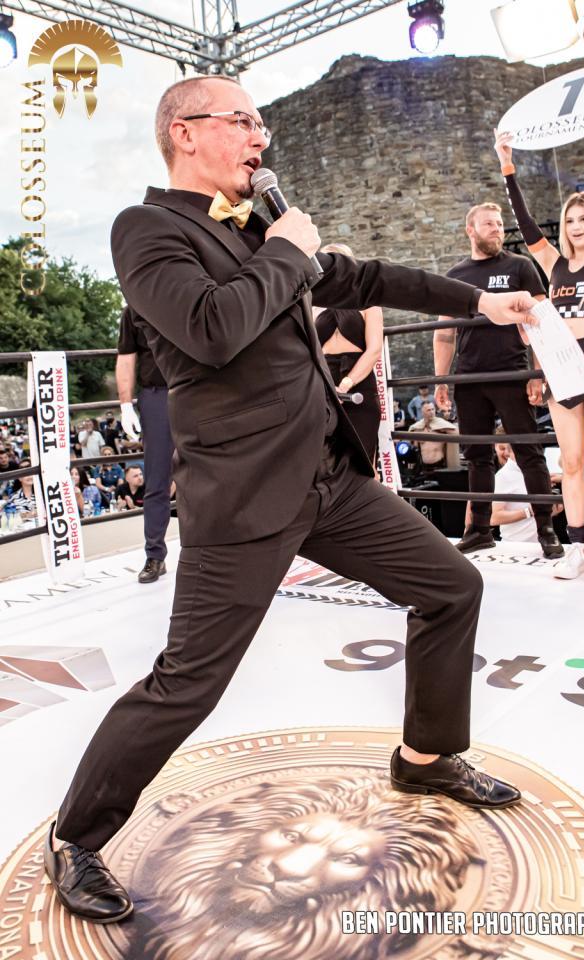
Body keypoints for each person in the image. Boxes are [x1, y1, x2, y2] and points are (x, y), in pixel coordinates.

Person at [44, 75, 537, 924]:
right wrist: (289, 248)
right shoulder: (147, 229)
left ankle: (425, 756)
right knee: (188, 681)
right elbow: (209, 327)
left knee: (452, 586)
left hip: (327, 479)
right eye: (242, 122)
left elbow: (365, 275)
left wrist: (481, 299)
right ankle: (76, 835)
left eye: (260, 124)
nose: (259, 139)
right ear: (184, 133)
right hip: (240, 498)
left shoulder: (267, 226)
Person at [495, 109, 584, 582]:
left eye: (582, 219)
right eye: (569, 220)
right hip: (561, 365)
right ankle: (577, 548)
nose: (574, 227)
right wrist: (506, 164)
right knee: (571, 462)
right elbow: (527, 222)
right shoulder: (551, 263)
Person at [434, 201, 563, 560]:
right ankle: (479, 530)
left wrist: (539, 372)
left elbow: (543, 321)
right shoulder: (456, 273)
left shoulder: (519, 266)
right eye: (488, 223)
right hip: (470, 376)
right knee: (477, 457)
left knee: (529, 453)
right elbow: (443, 333)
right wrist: (441, 379)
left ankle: (546, 529)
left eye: (499, 223)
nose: (496, 228)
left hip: (511, 372)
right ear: (470, 230)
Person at [117, 306, 174, 583]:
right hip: (157, 395)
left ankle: (215, 550)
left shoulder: (191, 290)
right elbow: (126, 358)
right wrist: (125, 404)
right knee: (156, 479)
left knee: (209, 473)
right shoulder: (133, 309)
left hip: (200, 390)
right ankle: (155, 555)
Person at [313, 242, 384, 464]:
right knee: (326, 460)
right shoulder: (312, 303)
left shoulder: (368, 301)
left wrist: (346, 383)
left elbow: (374, 350)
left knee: (363, 462)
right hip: (323, 383)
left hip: (358, 382)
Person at [492, 435, 563, 544]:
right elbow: (494, 518)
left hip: (542, 542)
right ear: (510, 452)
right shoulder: (503, 476)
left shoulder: (538, 471)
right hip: (515, 545)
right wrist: (529, 511)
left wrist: (551, 509)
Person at [408, 399, 460, 471]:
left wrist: (444, 429)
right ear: (422, 412)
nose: (432, 412)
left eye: (433, 409)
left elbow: (456, 434)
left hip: (439, 465)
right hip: (424, 466)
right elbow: (414, 447)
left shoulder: (441, 424)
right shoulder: (418, 428)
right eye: (428, 410)